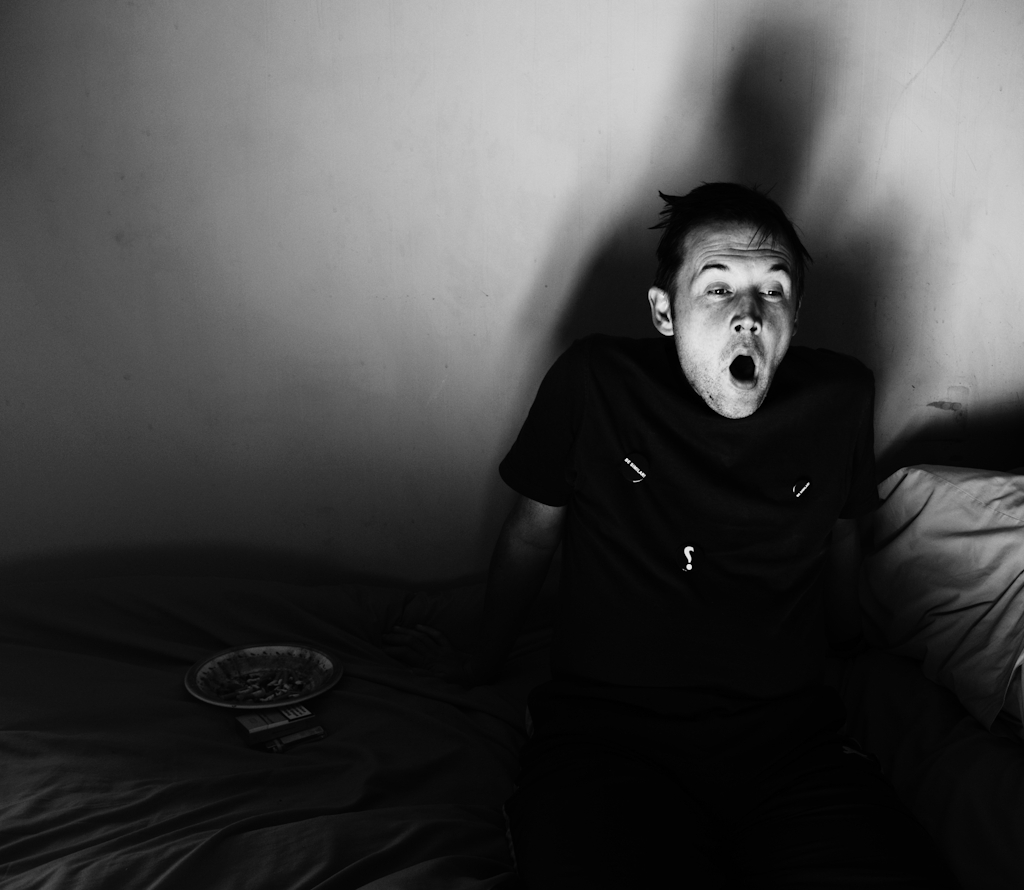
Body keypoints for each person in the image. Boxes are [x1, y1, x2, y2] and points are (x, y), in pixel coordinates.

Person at [386, 183, 949, 888]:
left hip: (789, 748)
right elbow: (532, 536)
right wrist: (478, 655)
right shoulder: (595, 384)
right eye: (717, 290)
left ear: (796, 316)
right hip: (610, 744)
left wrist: (855, 646)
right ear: (664, 311)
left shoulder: (840, 399)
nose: (748, 316)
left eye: (773, 292)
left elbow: (841, 540)